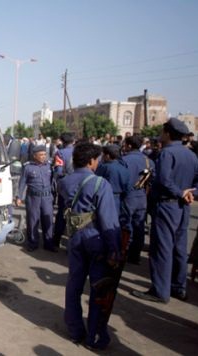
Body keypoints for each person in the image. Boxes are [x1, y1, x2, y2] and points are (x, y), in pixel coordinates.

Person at [59, 142, 121, 350]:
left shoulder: (65, 181)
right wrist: (114, 248)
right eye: (97, 159)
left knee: (74, 283)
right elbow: (108, 219)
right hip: (95, 238)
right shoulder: (99, 183)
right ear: (91, 161)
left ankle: (75, 330)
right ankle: (95, 335)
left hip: (75, 236)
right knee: (99, 287)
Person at [132, 118, 198, 303]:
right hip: (183, 206)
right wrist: (190, 194)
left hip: (168, 205)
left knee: (162, 248)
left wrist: (179, 193)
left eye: (162, 131)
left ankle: (160, 291)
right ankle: (179, 287)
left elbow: (163, 180)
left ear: (168, 133)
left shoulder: (166, 154)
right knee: (179, 247)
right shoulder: (191, 155)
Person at [121, 135, 155, 264]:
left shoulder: (124, 160)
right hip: (141, 196)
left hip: (128, 195)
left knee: (125, 224)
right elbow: (153, 180)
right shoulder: (148, 161)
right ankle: (135, 256)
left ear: (129, 145)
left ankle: (124, 251)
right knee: (139, 226)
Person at [16, 145, 56, 252]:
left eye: (44, 154)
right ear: (35, 156)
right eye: (41, 155)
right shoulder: (28, 167)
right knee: (33, 221)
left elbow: (53, 181)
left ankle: (48, 243)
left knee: (48, 220)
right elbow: (22, 182)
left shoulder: (49, 166)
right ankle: (32, 243)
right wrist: (19, 197)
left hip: (47, 197)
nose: (43, 157)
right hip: (33, 198)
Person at [95, 144, 131, 224]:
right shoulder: (124, 167)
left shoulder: (104, 167)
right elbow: (128, 188)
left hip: (105, 198)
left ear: (107, 156)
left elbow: (96, 182)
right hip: (119, 199)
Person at [52, 132, 75, 248]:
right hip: (80, 186)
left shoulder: (60, 153)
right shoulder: (79, 151)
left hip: (66, 187)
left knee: (62, 214)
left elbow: (58, 172)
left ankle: (56, 242)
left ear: (62, 141)